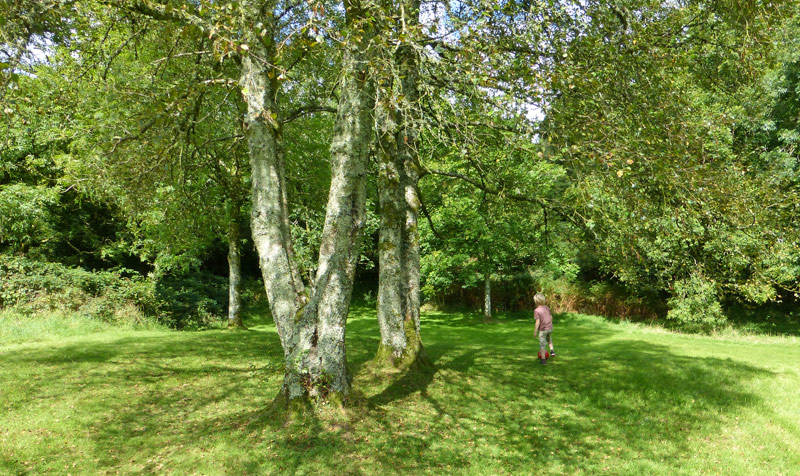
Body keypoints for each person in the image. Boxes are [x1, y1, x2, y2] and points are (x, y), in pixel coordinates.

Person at [533, 293, 555, 365]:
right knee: (549, 339)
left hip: (543, 330)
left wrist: (535, 331)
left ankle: (543, 361)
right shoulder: (547, 308)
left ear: (536, 301)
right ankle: (552, 351)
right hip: (550, 328)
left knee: (542, 345)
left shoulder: (536, 310)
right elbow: (551, 317)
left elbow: (537, 322)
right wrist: (550, 324)